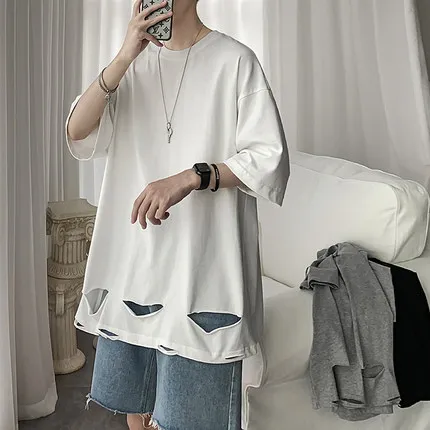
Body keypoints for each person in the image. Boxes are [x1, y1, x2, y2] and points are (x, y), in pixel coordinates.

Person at [65, 0, 289, 429]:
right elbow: (77, 131)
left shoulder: (234, 61)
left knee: (190, 420)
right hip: (134, 270)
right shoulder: (130, 66)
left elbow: (269, 159)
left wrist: (192, 177)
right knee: (137, 413)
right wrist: (124, 55)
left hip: (201, 276)